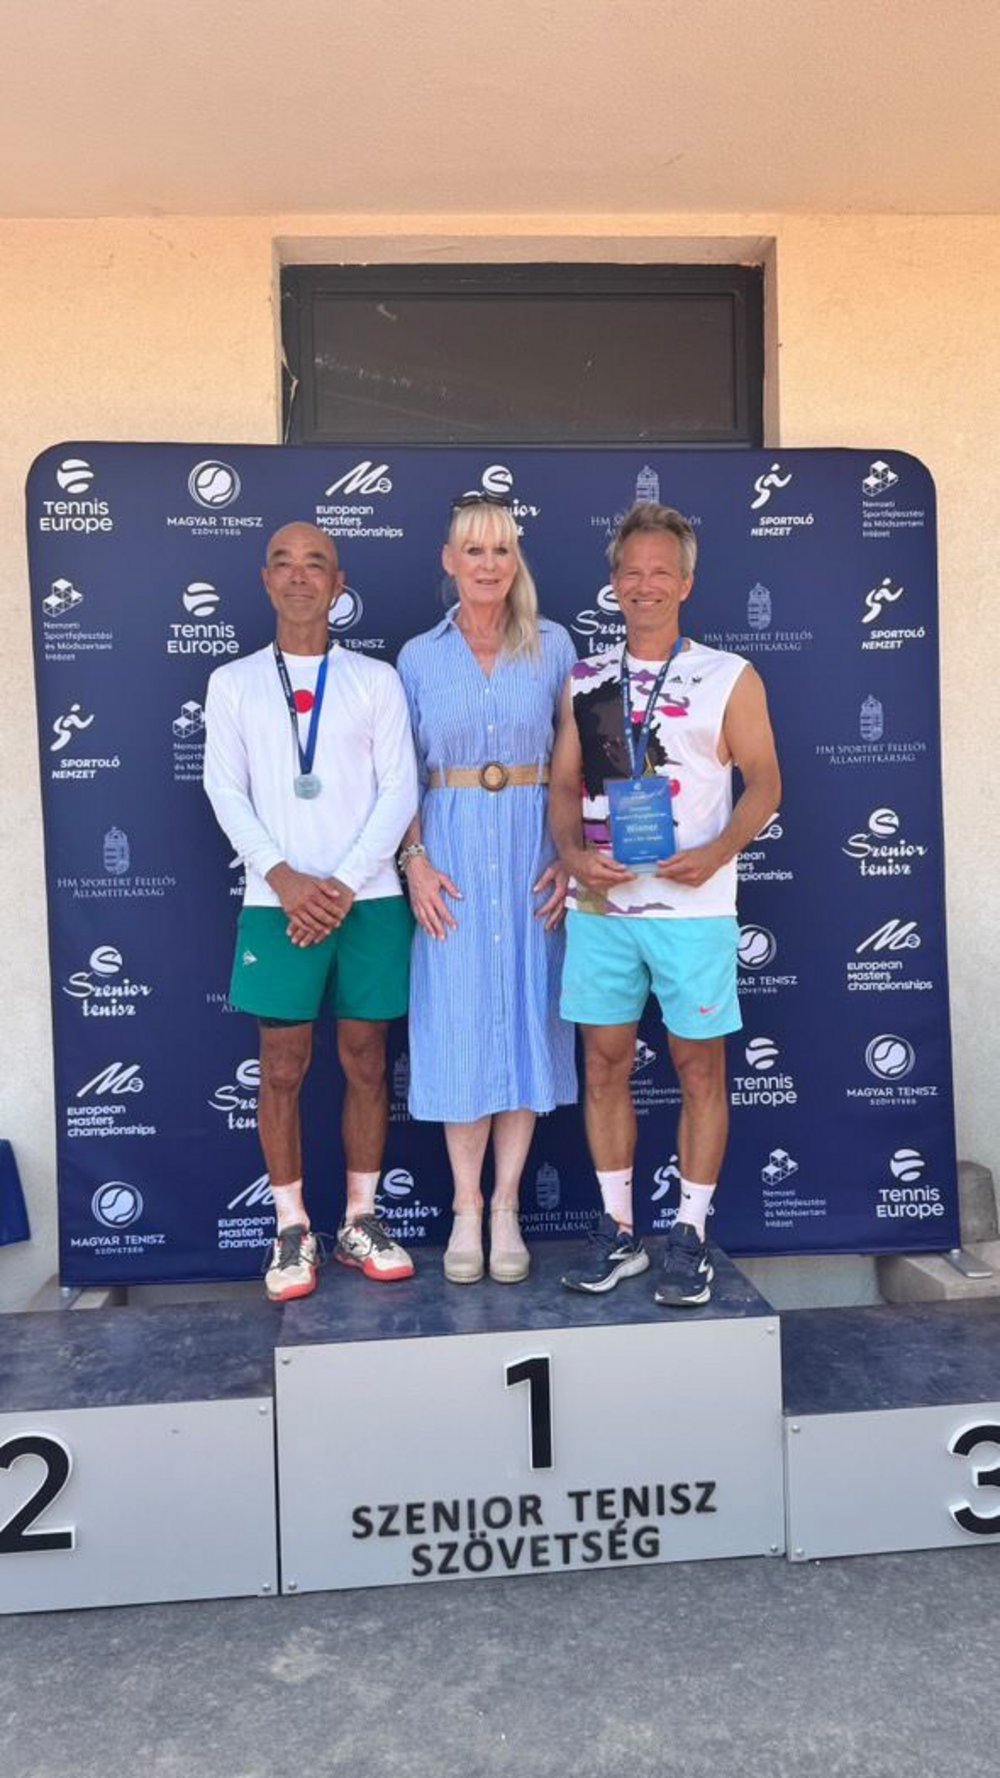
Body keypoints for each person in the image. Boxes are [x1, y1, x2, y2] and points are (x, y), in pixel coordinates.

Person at [550, 501, 781, 1307]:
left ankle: (689, 1235)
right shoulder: (586, 677)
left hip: (694, 909)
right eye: (631, 571)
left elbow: (766, 785)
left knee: (698, 1069)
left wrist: (717, 852)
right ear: (613, 582)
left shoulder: (730, 675)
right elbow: (563, 787)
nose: (644, 585)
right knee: (604, 1065)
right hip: (604, 908)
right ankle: (620, 1232)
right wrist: (574, 857)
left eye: (660, 572)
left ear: (685, 583)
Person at [203, 522, 419, 1303]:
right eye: (285, 564)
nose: (300, 576)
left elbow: (401, 789)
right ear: (266, 580)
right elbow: (224, 789)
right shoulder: (233, 682)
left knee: (367, 1060)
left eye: (316, 564)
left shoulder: (375, 680)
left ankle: (360, 1219)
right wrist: (288, 880)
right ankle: (292, 1226)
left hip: (370, 900)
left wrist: (342, 885)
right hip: (277, 902)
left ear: (338, 583)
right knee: (283, 1067)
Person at [396, 494, 577, 1285]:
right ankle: (465, 1207)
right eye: (473, 550)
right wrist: (415, 860)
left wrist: (570, 852)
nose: (488, 564)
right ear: (449, 561)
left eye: (501, 549)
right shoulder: (419, 657)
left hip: (533, 853)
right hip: (454, 860)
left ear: (516, 560)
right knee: (462, 1026)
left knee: (527, 1019)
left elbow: (575, 760)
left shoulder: (555, 646)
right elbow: (400, 773)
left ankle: (507, 1207)